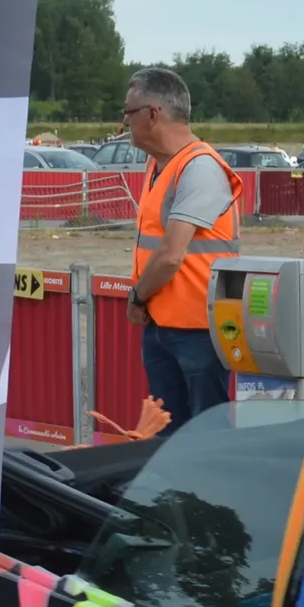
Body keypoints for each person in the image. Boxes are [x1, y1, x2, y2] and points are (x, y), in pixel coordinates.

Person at [123, 67, 242, 427]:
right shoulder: (160, 165)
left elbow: (171, 256)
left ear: (153, 114)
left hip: (197, 331)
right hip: (163, 325)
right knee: (167, 434)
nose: (124, 122)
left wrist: (137, 297)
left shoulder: (199, 168)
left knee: (204, 437)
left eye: (128, 113)